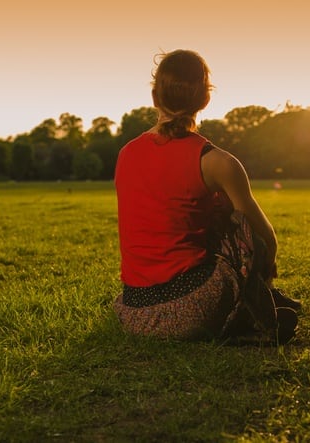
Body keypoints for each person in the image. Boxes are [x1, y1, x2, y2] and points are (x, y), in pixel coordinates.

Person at [113, 49, 299, 344]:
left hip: (134, 312)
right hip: (192, 310)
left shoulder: (126, 154)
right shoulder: (218, 162)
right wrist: (264, 271)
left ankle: (252, 312)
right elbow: (265, 239)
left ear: (154, 97)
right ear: (206, 99)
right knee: (237, 218)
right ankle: (254, 312)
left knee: (216, 207)